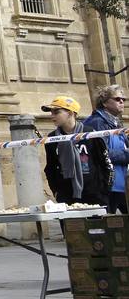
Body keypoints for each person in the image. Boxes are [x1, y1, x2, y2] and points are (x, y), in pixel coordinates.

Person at [83, 85, 126, 213]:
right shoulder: (97, 122)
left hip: (121, 180)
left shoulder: (116, 122)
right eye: (117, 99)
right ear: (105, 103)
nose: (122, 102)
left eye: (123, 99)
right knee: (107, 221)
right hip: (107, 183)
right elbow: (102, 154)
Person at [43, 95, 92, 203]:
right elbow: (50, 167)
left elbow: (103, 160)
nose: (52, 116)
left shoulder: (90, 133)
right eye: (51, 113)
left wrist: (103, 189)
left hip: (93, 192)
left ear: (70, 113)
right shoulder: (52, 138)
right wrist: (56, 191)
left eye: (56, 112)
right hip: (65, 194)